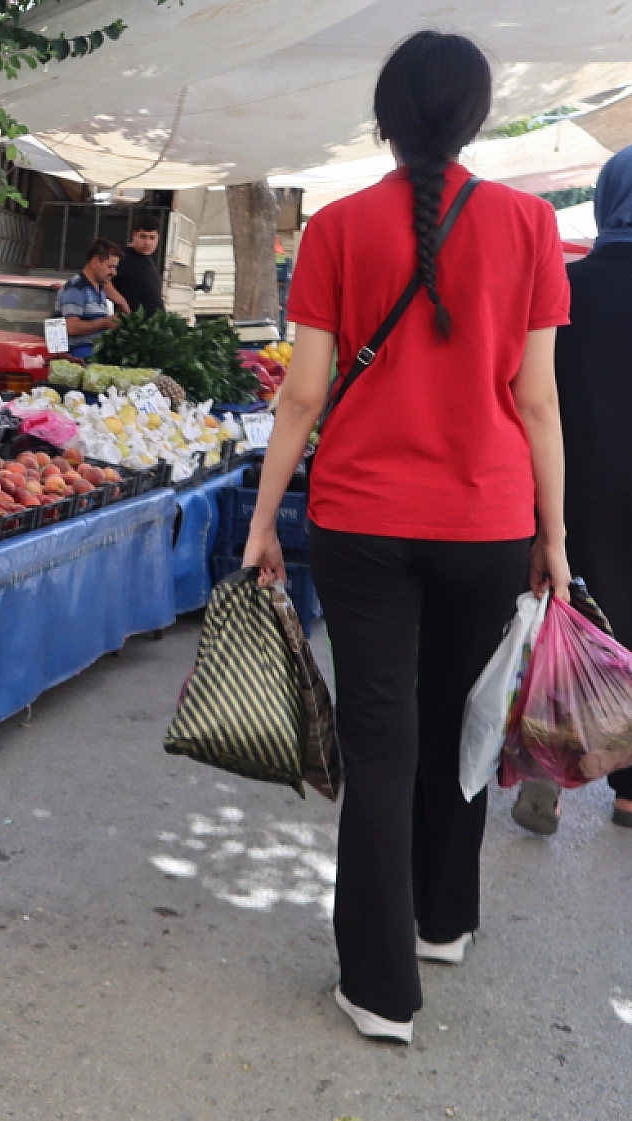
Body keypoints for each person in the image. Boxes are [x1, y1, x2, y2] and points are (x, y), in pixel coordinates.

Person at [241, 31, 570, 1045]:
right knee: (460, 721)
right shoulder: (528, 226)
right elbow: (536, 401)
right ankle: (442, 919)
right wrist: (551, 537)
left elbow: (300, 396)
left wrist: (260, 523)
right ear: (473, 118)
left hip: (359, 523)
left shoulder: (336, 229)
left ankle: (378, 989)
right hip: (486, 520)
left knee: (380, 741)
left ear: (383, 119)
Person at [510, 147, 632, 835]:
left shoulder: (567, 286)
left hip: (577, 482)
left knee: (572, 614)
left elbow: (535, 395)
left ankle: (549, 773)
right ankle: (629, 792)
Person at [56, 238, 129, 358]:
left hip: (98, 351)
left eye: (115, 267)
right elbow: (71, 327)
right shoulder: (75, 288)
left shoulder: (101, 289)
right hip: (78, 354)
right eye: (110, 267)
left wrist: (122, 304)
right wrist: (105, 323)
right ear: (95, 262)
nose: (114, 273)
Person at [113, 215, 166, 315]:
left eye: (152, 238)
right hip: (134, 325)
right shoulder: (122, 257)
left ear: (158, 238)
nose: (147, 242)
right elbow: (103, 281)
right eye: (143, 236)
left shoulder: (148, 259)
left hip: (154, 325)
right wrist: (121, 301)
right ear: (134, 234)